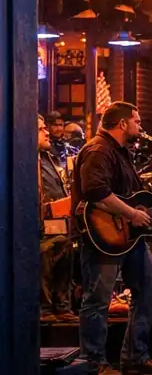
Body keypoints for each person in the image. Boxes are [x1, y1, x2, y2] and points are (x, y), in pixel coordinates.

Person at [73, 102, 152, 375]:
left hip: (129, 237)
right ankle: (93, 361)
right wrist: (132, 213)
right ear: (122, 124)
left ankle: (135, 356)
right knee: (98, 299)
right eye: (136, 121)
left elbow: (125, 192)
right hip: (103, 236)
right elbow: (95, 191)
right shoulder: (99, 149)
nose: (140, 126)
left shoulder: (121, 151)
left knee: (148, 289)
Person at [38, 114, 73, 318]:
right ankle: (44, 308)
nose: (47, 132)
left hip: (57, 220)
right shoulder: (26, 160)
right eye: (41, 129)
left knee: (65, 254)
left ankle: (62, 305)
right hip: (39, 223)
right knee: (43, 261)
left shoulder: (49, 156)